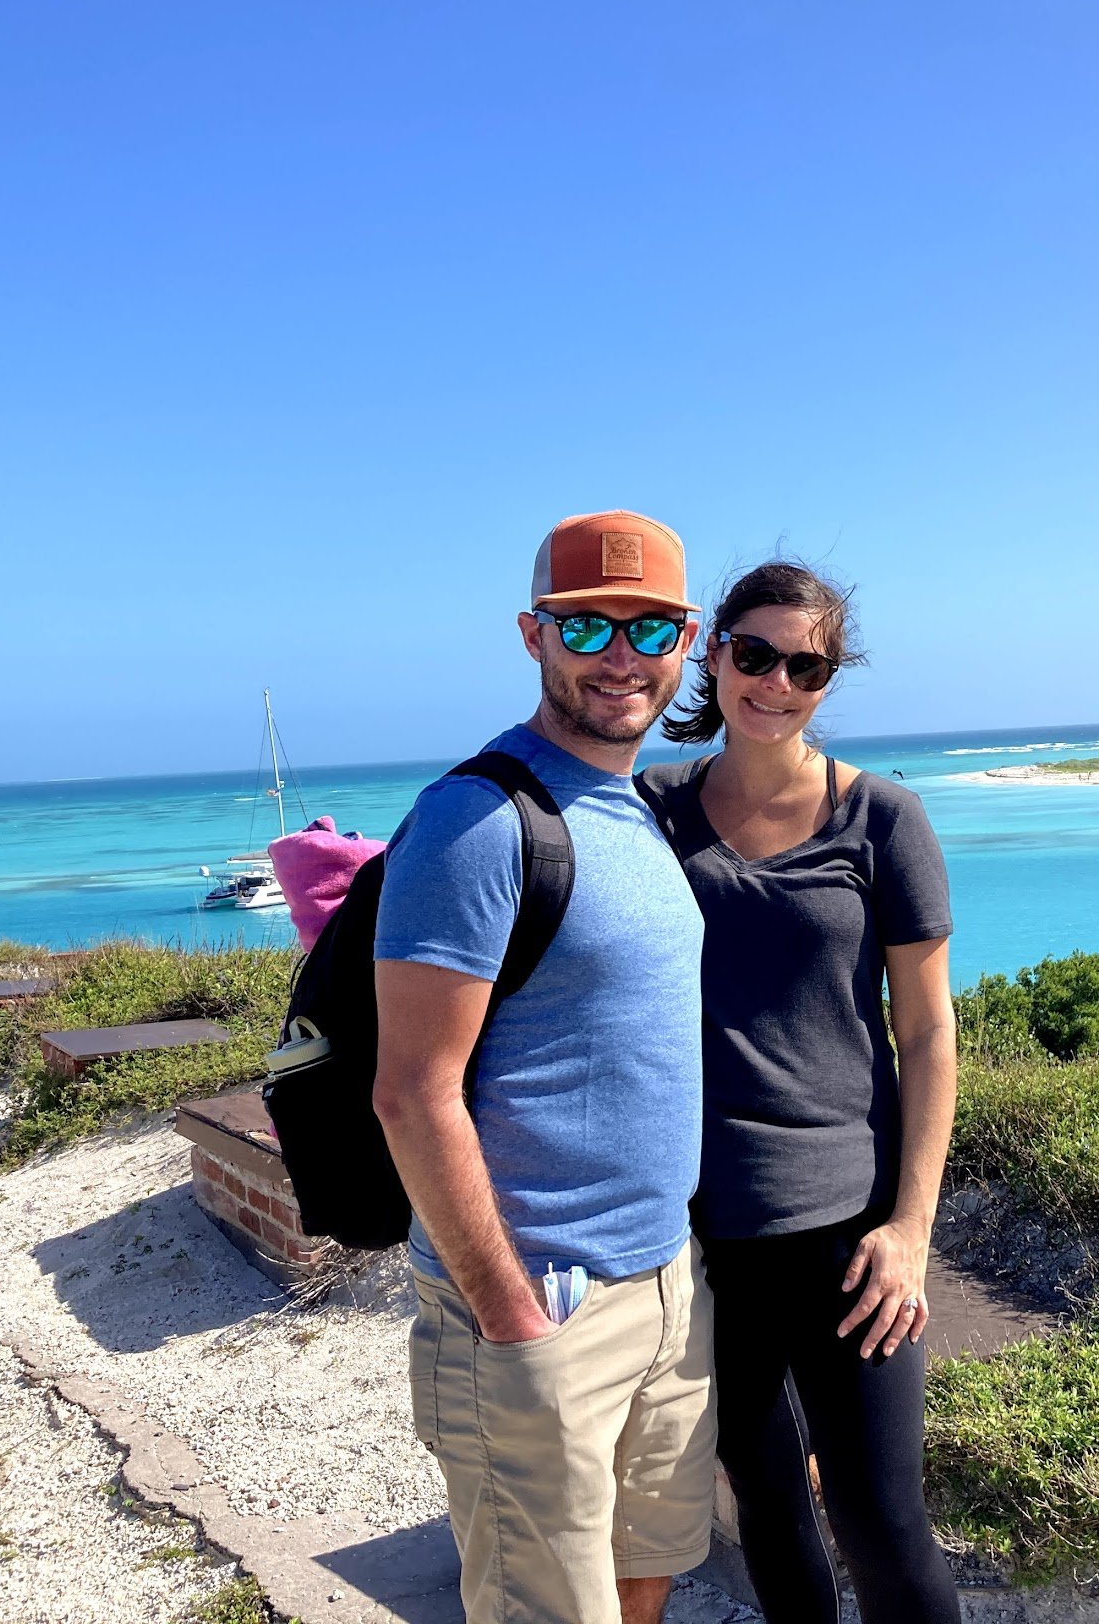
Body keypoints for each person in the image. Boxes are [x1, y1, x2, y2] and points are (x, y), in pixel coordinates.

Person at [372, 511, 715, 1624]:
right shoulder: (475, 820)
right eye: (586, 628)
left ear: (685, 641)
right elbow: (411, 1089)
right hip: (539, 1302)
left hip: (663, 1283)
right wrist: (508, 1315)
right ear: (533, 634)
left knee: (642, 1575)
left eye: (649, 628)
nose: (620, 655)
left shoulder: (636, 808)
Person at [640, 561, 963, 1624]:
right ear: (711, 650)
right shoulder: (648, 811)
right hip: (698, 1237)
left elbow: (924, 1032)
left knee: (880, 1519)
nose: (775, 680)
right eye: (754, 652)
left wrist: (910, 1227)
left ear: (828, 678)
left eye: (805, 663)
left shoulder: (882, 820)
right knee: (769, 1502)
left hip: (848, 1234)